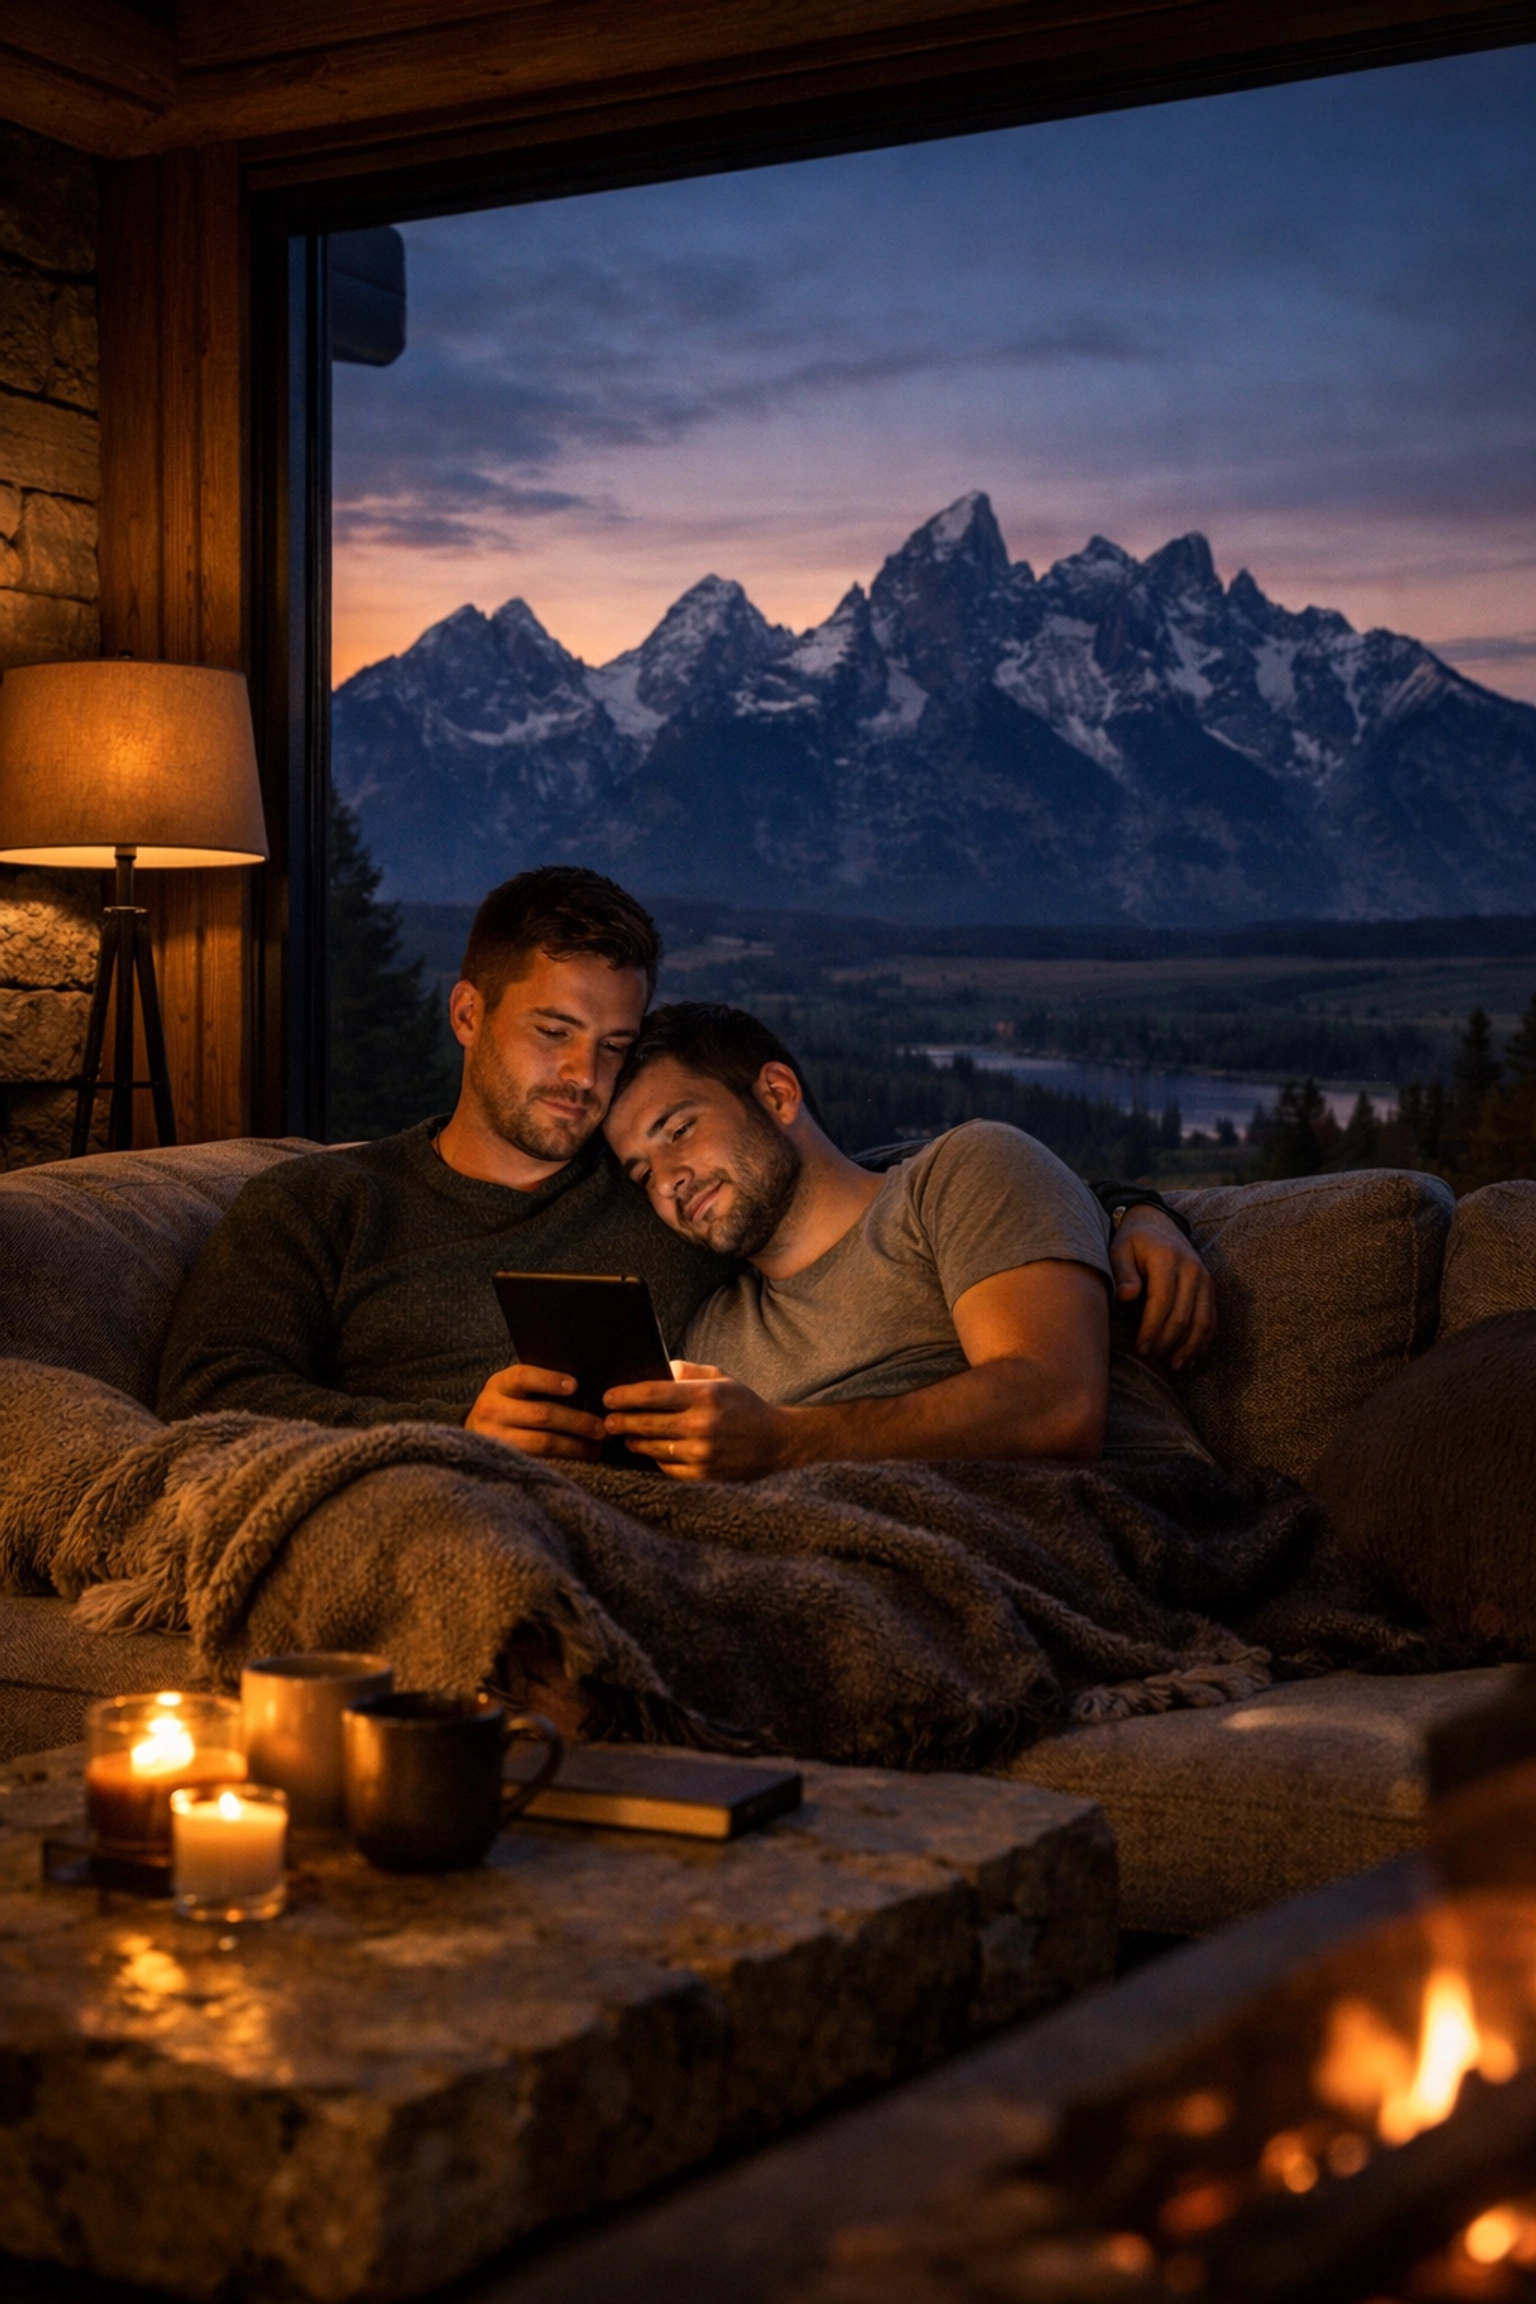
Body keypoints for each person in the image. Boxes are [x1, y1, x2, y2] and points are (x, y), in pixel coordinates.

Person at [160, 868, 1211, 1462]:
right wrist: (448, 1431)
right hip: (412, 1491)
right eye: (554, 1032)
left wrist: (1126, 1210)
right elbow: (206, 1394)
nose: (583, 1077)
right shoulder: (321, 1204)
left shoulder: (657, 1206)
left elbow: (861, 1187)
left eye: (613, 1046)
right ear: (469, 1014)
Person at [599, 1003, 1216, 1481]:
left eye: (679, 1130)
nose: (669, 1182)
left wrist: (781, 1443)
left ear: (777, 1095)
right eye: (643, 1173)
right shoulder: (713, 1340)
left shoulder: (961, 1174)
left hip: (1068, 1530)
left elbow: (1056, 1408)